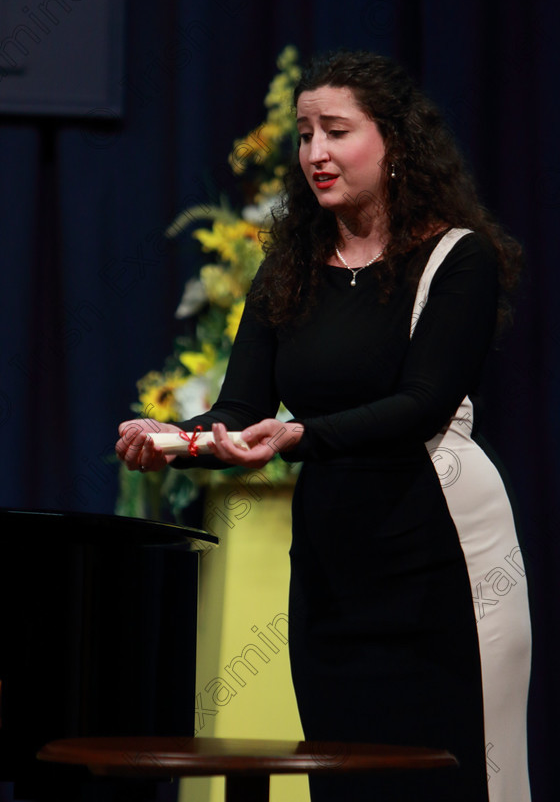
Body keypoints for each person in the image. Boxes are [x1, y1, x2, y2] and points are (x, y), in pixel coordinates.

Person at [116, 50, 532, 802]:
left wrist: (301, 436)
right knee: (343, 782)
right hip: (334, 574)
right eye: (305, 134)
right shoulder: (290, 267)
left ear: (394, 143)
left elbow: (422, 405)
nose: (316, 153)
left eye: (336, 131)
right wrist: (174, 440)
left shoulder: (454, 259)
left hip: (439, 558)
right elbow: (242, 413)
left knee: (456, 781)